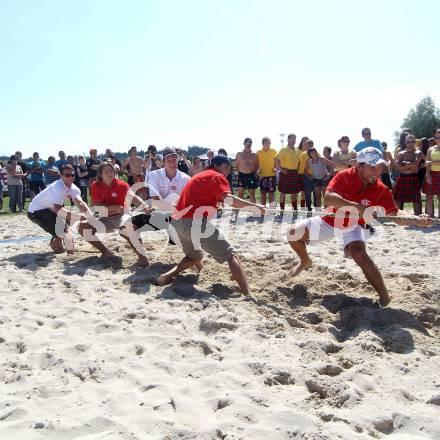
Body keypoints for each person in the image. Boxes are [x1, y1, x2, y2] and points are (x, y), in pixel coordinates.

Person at [287, 147, 432, 307]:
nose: (377, 171)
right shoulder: (344, 176)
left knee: (359, 254)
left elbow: (395, 214)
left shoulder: (381, 189)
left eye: (379, 167)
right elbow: (328, 198)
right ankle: (305, 261)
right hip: (330, 219)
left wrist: (415, 219)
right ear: (359, 165)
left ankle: (384, 297)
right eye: (372, 166)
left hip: (354, 225)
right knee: (293, 233)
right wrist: (357, 207)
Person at [152, 155, 266, 293]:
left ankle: (164, 277)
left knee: (195, 257)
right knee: (231, 255)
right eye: (226, 168)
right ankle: (247, 292)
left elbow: (193, 200)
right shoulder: (216, 176)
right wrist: (255, 207)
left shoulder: (199, 176)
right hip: (192, 223)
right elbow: (230, 200)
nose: (227, 172)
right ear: (217, 166)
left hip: (175, 224)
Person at [78, 162, 153, 267]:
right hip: (105, 218)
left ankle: (143, 258)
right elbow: (98, 207)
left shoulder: (121, 184)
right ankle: (106, 252)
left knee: (128, 228)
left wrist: (145, 207)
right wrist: (115, 208)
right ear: (100, 175)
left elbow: (133, 197)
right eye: (106, 171)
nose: (110, 173)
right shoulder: (95, 186)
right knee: (83, 226)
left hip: (121, 216)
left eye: (111, 170)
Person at [27, 165, 91, 253]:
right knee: (66, 230)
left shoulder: (73, 188)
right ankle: (70, 253)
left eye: (72, 175)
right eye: (67, 175)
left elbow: (80, 203)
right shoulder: (57, 187)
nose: (70, 177)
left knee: (66, 223)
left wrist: (90, 215)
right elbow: (58, 209)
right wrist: (78, 217)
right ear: (61, 176)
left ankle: (57, 244)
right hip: (35, 212)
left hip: (48, 209)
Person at [393, 134, 424, 214]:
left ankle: (418, 217)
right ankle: (398, 217)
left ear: (414, 142)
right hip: (402, 177)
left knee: (416, 199)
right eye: (408, 142)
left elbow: (416, 165)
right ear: (405, 142)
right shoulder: (401, 153)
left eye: (412, 142)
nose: (410, 144)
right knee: (398, 198)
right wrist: (410, 166)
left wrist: (404, 164)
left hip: (413, 177)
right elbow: (397, 167)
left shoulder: (418, 152)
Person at [276, 133, 302, 211]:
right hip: (285, 173)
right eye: (292, 139)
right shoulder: (283, 150)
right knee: (283, 191)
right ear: (288, 139)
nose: (294, 140)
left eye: (295, 139)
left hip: (295, 173)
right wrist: (281, 170)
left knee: (295, 191)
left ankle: (294, 207)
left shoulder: (297, 150)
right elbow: (277, 160)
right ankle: (282, 208)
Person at [235, 137, 259, 204]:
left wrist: (254, 173)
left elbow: (256, 165)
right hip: (242, 176)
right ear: (244, 143)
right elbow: (236, 165)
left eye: (250, 142)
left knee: (252, 194)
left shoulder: (254, 155)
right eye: (247, 142)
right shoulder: (239, 154)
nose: (249, 144)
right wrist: (239, 173)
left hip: (251, 176)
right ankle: (238, 210)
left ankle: (254, 210)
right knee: (240, 194)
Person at [423, 128, 440, 218]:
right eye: (438, 137)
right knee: (429, 197)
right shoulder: (430, 149)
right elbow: (426, 163)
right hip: (432, 174)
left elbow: (430, 162)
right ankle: (429, 218)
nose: (439, 139)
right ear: (435, 137)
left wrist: (432, 162)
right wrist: (428, 174)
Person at [298, 139, 319, 211]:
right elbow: (302, 167)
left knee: (314, 193)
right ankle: (309, 207)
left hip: (315, 176)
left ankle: (315, 207)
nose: (309, 146)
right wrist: (306, 175)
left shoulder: (317, 153)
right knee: (308, 193)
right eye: (308, 145)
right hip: (307, 176)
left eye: (311, 144)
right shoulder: (304, 154)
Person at [256, 137, 278, 207]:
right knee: (263, 194)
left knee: (271, 193)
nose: (268, 144)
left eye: (269, 143)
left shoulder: (274, 151)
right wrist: (257, 170)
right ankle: (263, 208)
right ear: (263, 144)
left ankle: (272, 209)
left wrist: (276, 168)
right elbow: (256, 163)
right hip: (262, 176)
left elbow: (277, 162)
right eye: (266, 143)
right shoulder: (258, 152)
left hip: (272, 175)